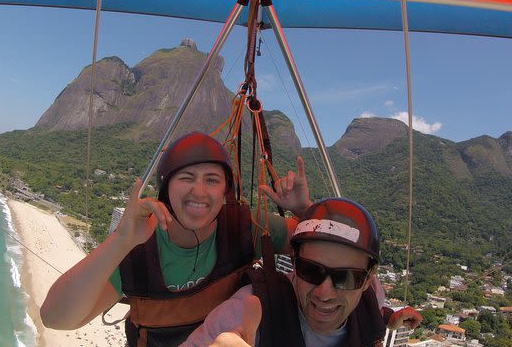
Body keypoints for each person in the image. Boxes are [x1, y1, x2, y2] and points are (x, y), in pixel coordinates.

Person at [40, 131, 312, 347]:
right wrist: (121, 241)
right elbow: (55, 318)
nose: (199, 191)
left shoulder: (244, 226)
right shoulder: (139, 249)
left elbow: (316, 246)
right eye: (186, 177)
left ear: (225, 191)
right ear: (166, 187)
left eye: (212, 180)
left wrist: (303, 210)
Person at [184, 197, 423, 347]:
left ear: (367, 281)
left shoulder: (371, 298)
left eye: (345, 278)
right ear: (295, 266)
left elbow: (370, 313)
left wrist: (390, 319)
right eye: (311, 270)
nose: (324, 292)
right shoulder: (249, 312)